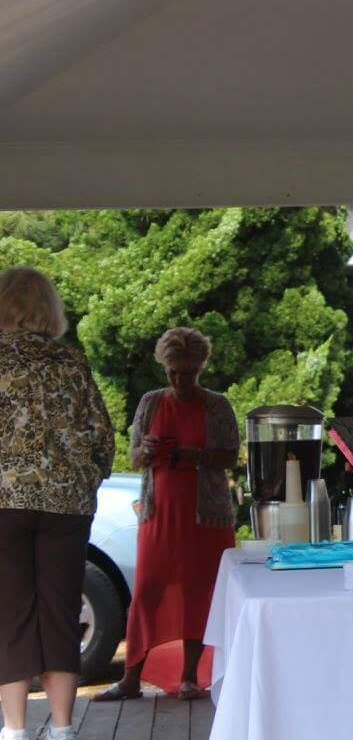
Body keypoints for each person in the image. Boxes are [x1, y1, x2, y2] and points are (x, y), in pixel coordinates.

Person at [0, 267, 115, 740]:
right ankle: (63, 728)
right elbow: (101, 437)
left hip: (3, 503)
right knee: (61, 611)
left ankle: (14, 729)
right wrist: (86, 477)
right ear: (51, 309)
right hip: (66, 507)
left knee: (10, 614)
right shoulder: (71, 363)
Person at [94, 328, 238, 702]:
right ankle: (131, 677)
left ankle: (191, 676)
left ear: (200, 367)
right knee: (147, 590)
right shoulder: (151, 402)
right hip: (160, 510)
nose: (179, 379)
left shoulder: (217, 405)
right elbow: (135, 457)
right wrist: (146, 447)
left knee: (198, 590)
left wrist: (193, 455)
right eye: (173, 371)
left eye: (187, 372)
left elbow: (230, 456)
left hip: (205, 515)